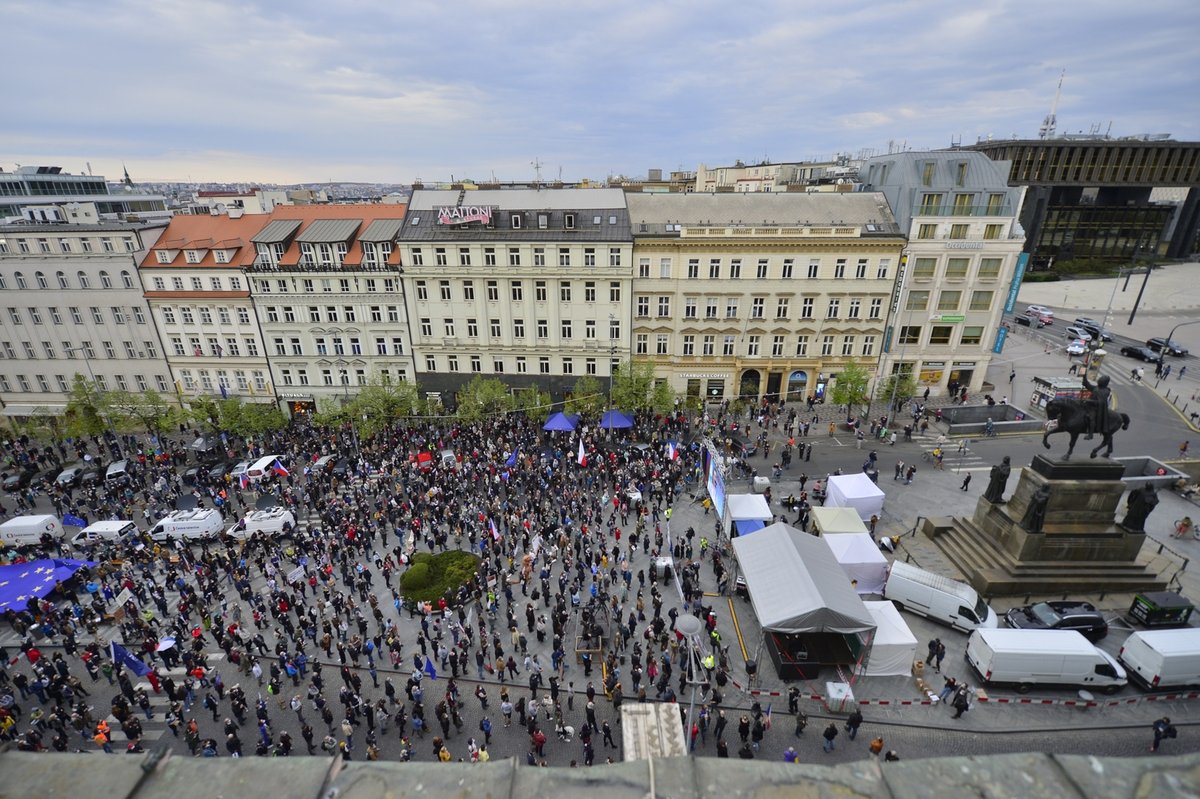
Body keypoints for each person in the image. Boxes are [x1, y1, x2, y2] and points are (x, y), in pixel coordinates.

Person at [1081, 373, 1112, 440]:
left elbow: (1100, 402)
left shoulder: (1106, 391)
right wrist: (1084, 376)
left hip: (1096, 408)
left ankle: (1090, 434)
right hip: (1088, 404)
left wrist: (1089, 401)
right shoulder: (1096, 388)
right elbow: (1088, 386)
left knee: (1091, 418)